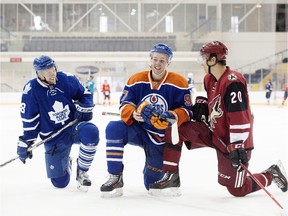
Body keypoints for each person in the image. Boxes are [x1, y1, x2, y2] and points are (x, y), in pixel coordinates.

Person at [149, 41, 288, 197]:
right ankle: (171, 176)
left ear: (213, 60)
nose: (201, 62)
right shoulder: (209, 79)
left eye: (203, 58)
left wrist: (237, 146)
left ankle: (272, 174)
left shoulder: (233, 81)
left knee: (237, 189)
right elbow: (216, 106)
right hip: (214, 133)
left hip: (233, 142)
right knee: (175, 127)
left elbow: (240, 118)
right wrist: (202, 108)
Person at [100, 43, 193, 198]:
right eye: (155, 59)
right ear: (150, 60)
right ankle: (115, 176)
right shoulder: (136, 79)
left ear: (168, 62)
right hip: (139, 130)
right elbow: (125, 104)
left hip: (161, 138)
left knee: (151, 184)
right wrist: (133, 113)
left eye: (162, 60)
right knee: (114, 128)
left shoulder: (179, 82)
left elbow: (188, 110)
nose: (158, 63)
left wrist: (173, 116)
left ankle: (152, 167)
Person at [17, 55, 99, 191]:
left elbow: (85, 94)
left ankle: (82, 172)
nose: (52, 74)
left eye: (53, 69)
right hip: (53, 137)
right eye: (46, 72)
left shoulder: (66, 79)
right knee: (60, 183)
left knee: (91, 131)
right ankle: (67, 162)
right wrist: (26, 141)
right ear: (38, 74)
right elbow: (30, 119)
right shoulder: (31, 90)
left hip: (73, 127)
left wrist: (85, 106)